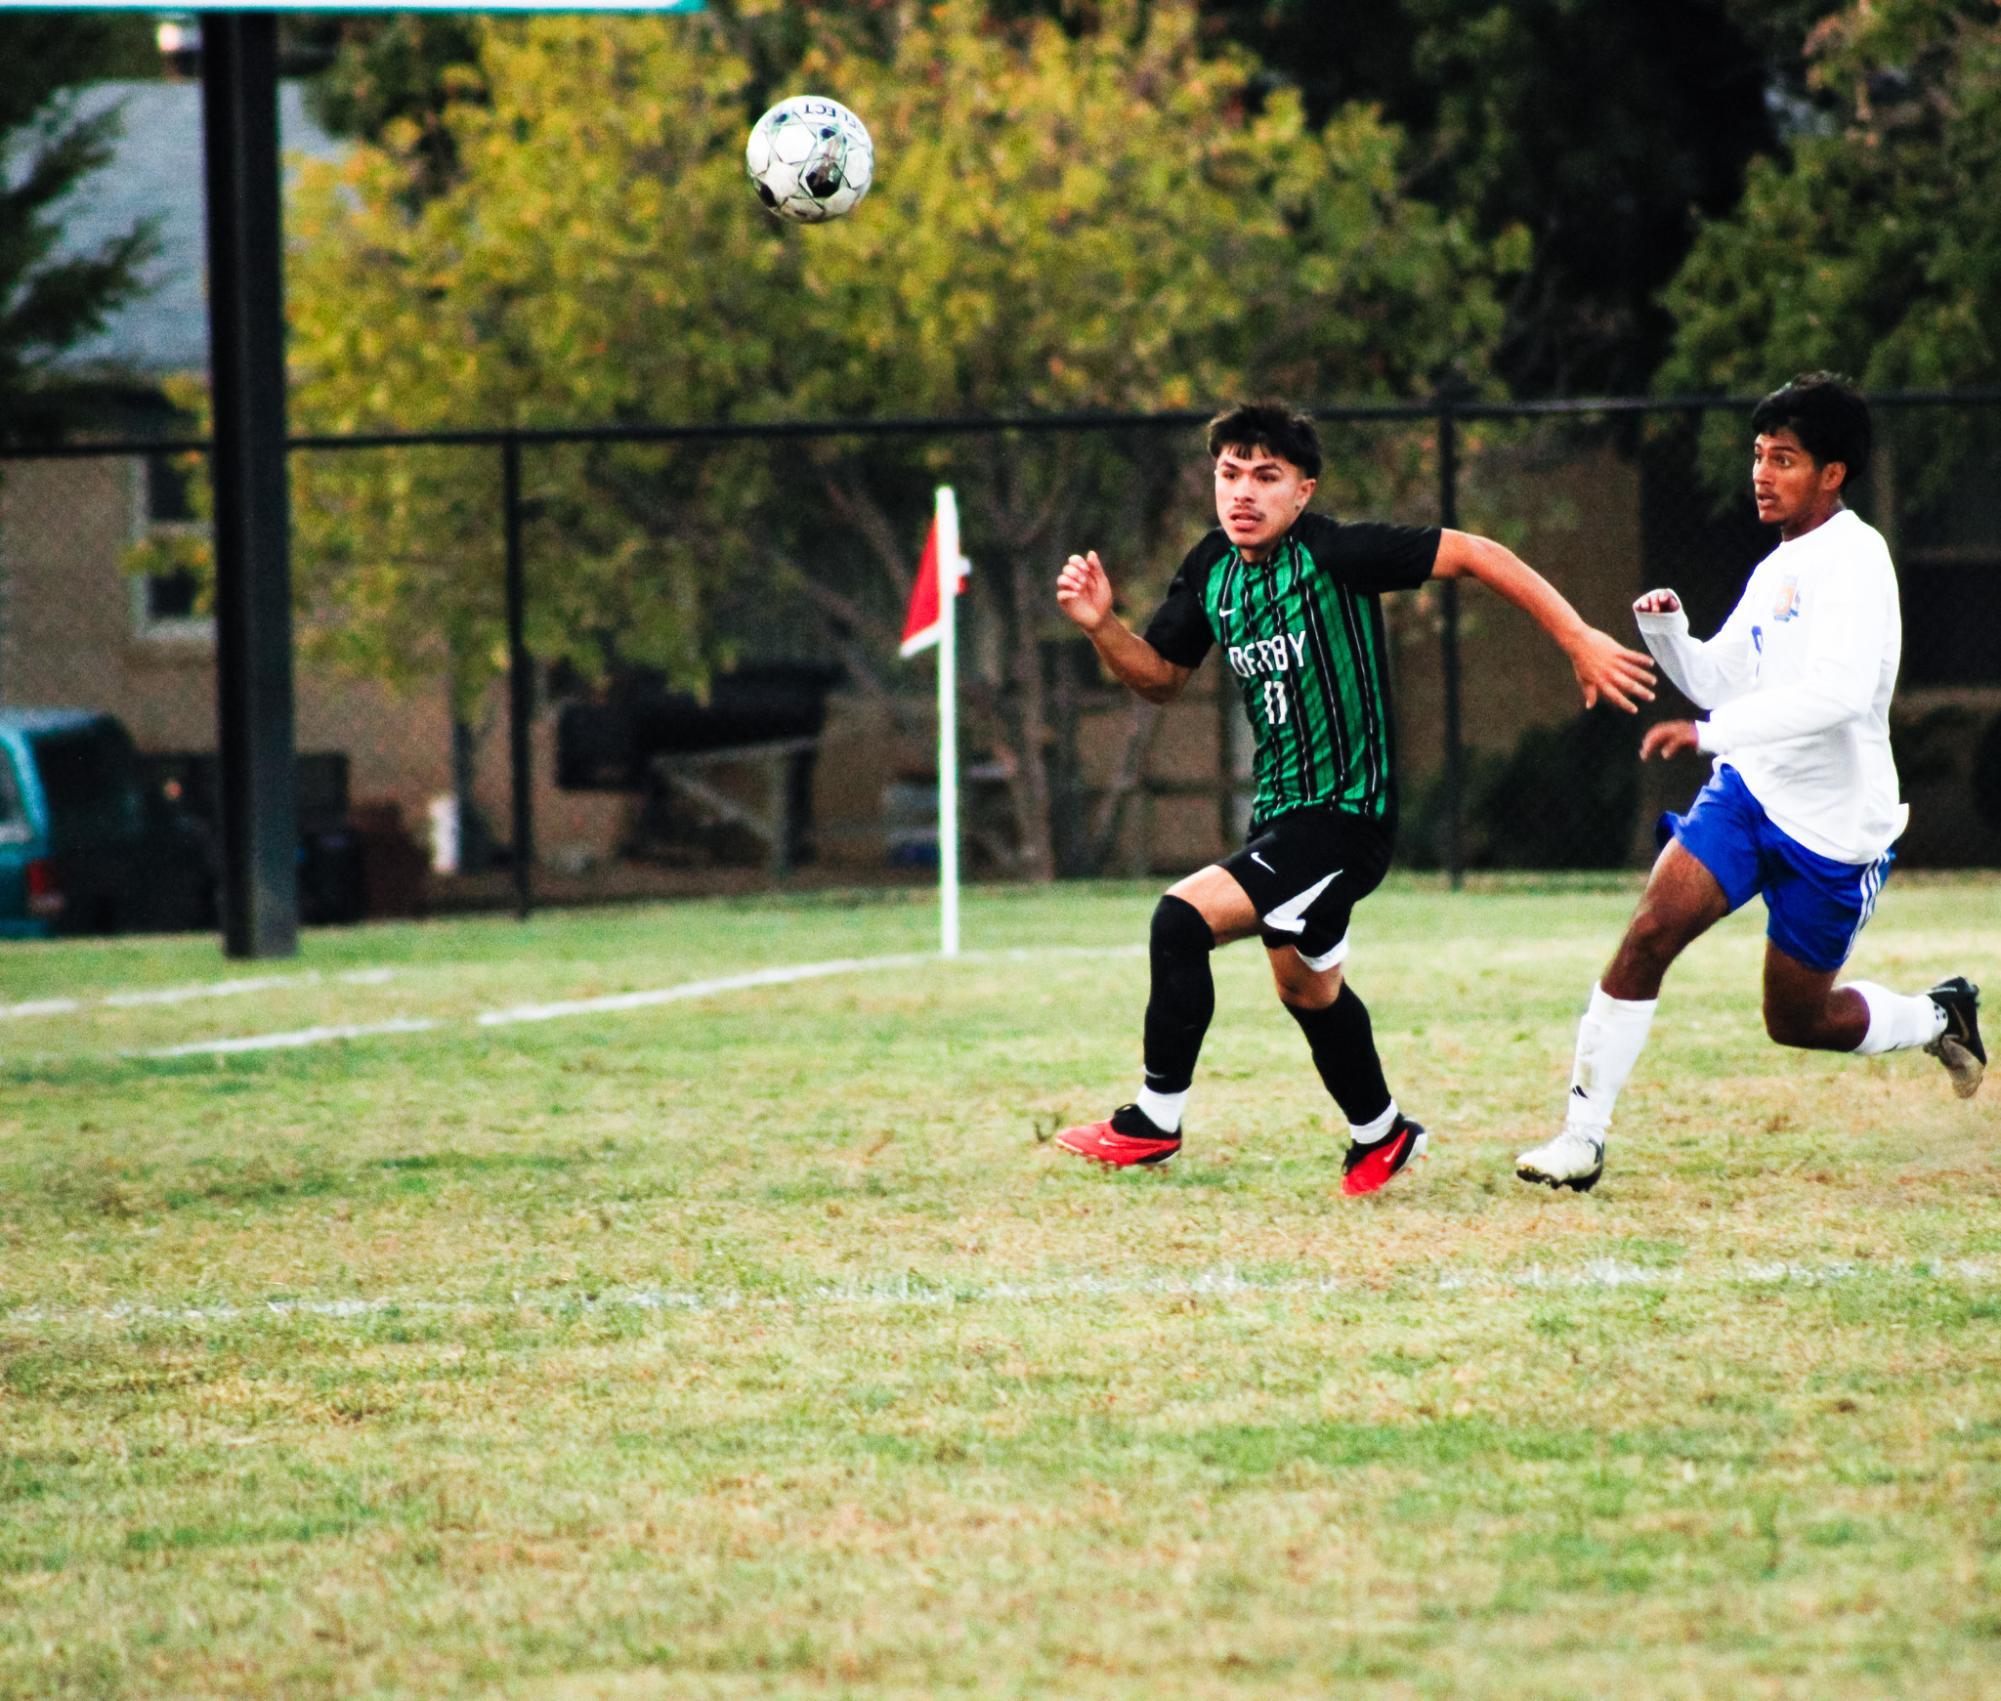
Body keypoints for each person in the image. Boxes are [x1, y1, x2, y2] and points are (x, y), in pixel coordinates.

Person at [1051, 401, 1657, 1194]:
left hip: (1345, 818)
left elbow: (1474, 552)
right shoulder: (1211, 569)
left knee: (1179, 919)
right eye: (1229, 474)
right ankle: (1382, 1132)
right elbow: (1160, 679)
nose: (1242, 492)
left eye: (1265, 477)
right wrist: (1102, 627)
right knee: (1304, 986)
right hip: (1281, 816)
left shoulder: (1335, 552)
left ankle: (1152, 1120)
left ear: (1302, 491)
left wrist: (1576, 635)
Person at [1517, 373, 1984, 1194]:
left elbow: (1836, 695)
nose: (1761, 474)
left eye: (1784, 459)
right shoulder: (1778, 566)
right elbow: (1719, 679)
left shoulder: (1857, 558)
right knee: (1649, 933)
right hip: (1748, 796)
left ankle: (1938, 1015)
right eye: (1758, 456)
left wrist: (1709, 733)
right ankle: (1580, 1138)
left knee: (1795, 1019)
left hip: (1834, 829)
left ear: (1832, 473)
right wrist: (1667, 634)